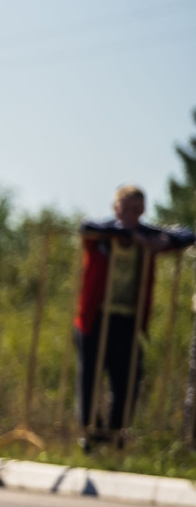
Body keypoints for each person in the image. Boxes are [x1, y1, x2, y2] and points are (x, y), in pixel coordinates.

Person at [74, 185, 194, 446]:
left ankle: (117, 432)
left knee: (127, 377)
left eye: (137, 209)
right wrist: (128, 233)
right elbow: (86, 227)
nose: (131, 213)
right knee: (90, 376)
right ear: (116, 208)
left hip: (127, 319)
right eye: (126, 208)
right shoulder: (103, 235)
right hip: (95, 317)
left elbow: (186, 234)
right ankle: (91, 431)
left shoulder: (147, 236)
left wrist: (165, 240)